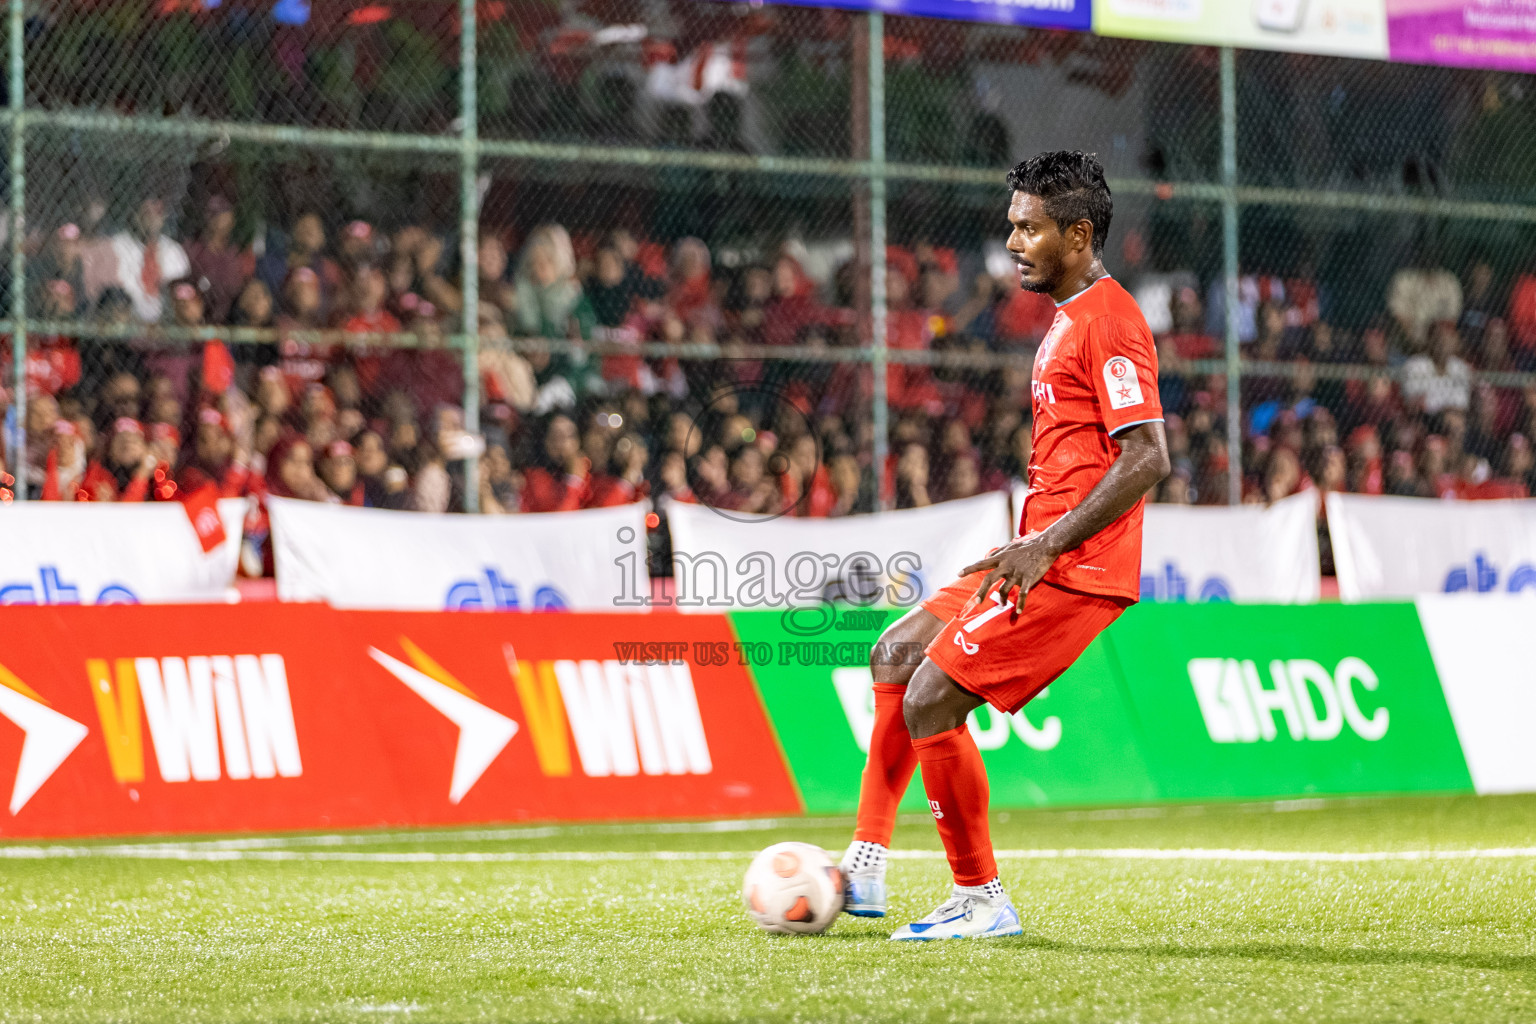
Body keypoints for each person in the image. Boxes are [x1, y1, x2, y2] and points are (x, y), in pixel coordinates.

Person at [839, 151, 1169, 941]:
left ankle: (982, 901)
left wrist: (1046, 543)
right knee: (895, 655)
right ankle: (864, 867)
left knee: (932, 698)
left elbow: (1149, 455)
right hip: (1039, 551)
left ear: (1080, 234)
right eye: (1012, 225)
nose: (1014, 241)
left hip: (1072, 567)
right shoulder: (1067, 318)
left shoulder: (1111, 323)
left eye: (1030, 228)